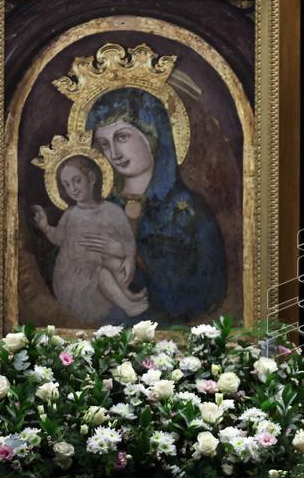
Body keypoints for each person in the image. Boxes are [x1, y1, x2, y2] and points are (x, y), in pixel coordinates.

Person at [84, 87, 226, 324]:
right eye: (104, 143)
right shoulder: (100, 208)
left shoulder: (189, 212)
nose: (114, 153)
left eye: (122, 137)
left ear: (153, 134)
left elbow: (209, 290)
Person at [32, 155, 149, 322]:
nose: (73, 188)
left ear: (92, 178)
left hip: (98, 264)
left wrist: (128, 256)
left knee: (114, 263)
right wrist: (45, 227)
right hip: (73, 278)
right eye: (66, 185)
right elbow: (59, 238)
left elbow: (128, 241)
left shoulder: (113, 211)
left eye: (77, 180)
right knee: (101, 272)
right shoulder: (71, 215)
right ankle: (127, 305)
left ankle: (128, 295)